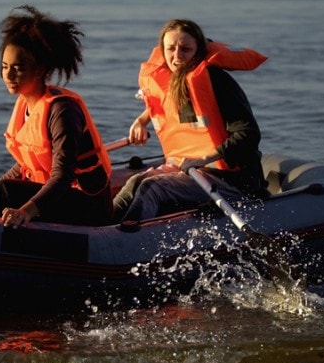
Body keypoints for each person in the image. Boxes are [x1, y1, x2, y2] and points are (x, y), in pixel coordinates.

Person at [0, 4, 112, 227]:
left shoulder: (62, 110)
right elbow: (26, 164)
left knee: (4, 192)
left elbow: (62, 177)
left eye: (17, 68)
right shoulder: (26, 104)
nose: (8, 75)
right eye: (5, 66)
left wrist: (25, 212)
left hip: (88, 205)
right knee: (0, 190)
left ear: (40, 69)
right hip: (55, 197)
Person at [113, 19, 269, 222]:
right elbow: (176, 109)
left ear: (198, 51)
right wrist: (142, 119)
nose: (176, 56)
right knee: (135, 181)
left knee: (152, 188)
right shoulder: (174, 78)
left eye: (185, 49)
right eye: (170, 49)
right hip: (190, 169)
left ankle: (127, 241)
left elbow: (248, 135)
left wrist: (204, 159)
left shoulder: (217, 82)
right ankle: (101, 228)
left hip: (231, 180)